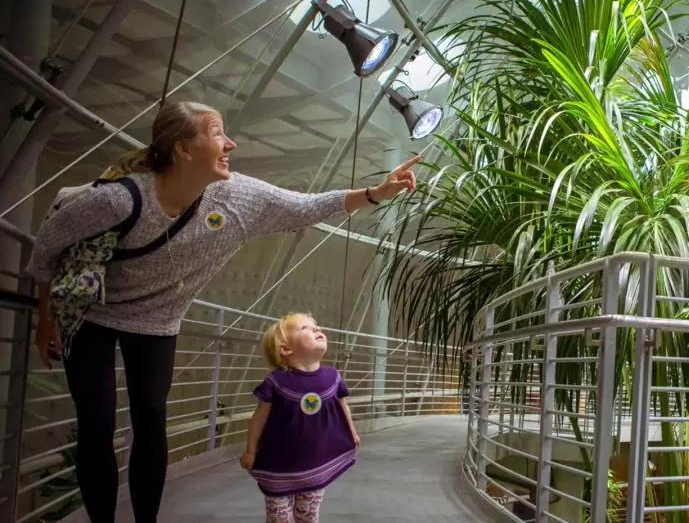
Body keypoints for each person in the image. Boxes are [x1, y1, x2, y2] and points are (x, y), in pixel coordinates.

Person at [27, 101, 419, 523]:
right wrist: (46, 317)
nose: (231, 143)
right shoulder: (120, 200)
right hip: (92, 316)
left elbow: (303, 206)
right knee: (96, 423)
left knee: (151, 418)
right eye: (217, 133)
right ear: (183, 149)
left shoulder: (236, 197)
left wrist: (375, 194)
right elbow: (47, 246)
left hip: (158, 322)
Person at [241, 313, 358, 523]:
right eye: (305, 328)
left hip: (315, 466)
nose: (316, 328)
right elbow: (259, 417)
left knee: (309, 516)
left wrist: (352, 433)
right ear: (285, 349)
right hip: (279, 469)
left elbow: (343, 406)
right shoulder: (276, 382)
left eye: (316, 325)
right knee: (279, 518)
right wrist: (250, 450)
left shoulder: (332, 377)